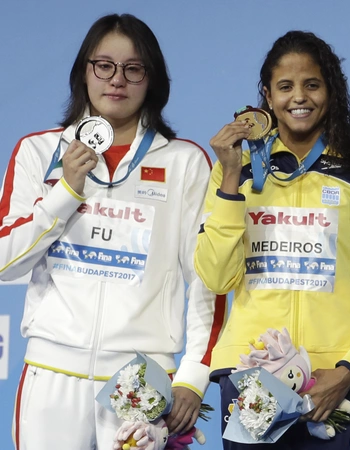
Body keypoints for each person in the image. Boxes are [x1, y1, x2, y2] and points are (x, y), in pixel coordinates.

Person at [0, 14, 225, 449]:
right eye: (104, 65)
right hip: (52, 373)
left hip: (142, 377)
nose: (117, 79)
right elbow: (5, 261)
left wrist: (195, 374)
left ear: (151, 78)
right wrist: (65, 192)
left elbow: (207, 278)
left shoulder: (184, 161)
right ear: (84, 71)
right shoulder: (38, 151)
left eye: (133, 68)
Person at [194, 30, 350, 449]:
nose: (299, 97)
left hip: (335, 379)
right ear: (267, 94)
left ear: (331, 91)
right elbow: (216, 276)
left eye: (312, 84)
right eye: (285, 86)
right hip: (250, 373)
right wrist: (231, 178)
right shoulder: (235, 168)